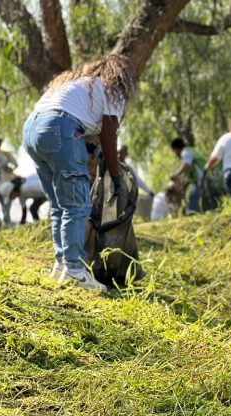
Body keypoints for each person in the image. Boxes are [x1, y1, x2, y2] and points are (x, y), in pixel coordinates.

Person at [23, 53, 137, 292]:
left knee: (59, 204)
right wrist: (115, 175)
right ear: (120, 74)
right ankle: (74, 270)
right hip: (59, 128)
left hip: (32, 130)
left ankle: (61, 265)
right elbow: (109, 135)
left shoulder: (75, 84)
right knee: (76, 204)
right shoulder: (112, 88)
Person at [170, 138, 208, 213]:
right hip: (203, 177)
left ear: (176, 149)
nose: (175, 154)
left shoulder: (186, 152)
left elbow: (186, 165)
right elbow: (190, 175)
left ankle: (193, 212)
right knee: (200, 196)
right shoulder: (190, 151)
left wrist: (176, 175)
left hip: (203, 176)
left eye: (174, 151)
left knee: (194, 196)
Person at [0, 138, 18, 225]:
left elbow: (15, 164)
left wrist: (10, 168)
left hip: (7, 184)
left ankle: (7, 222)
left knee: (6, 205)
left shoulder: (6, 154)